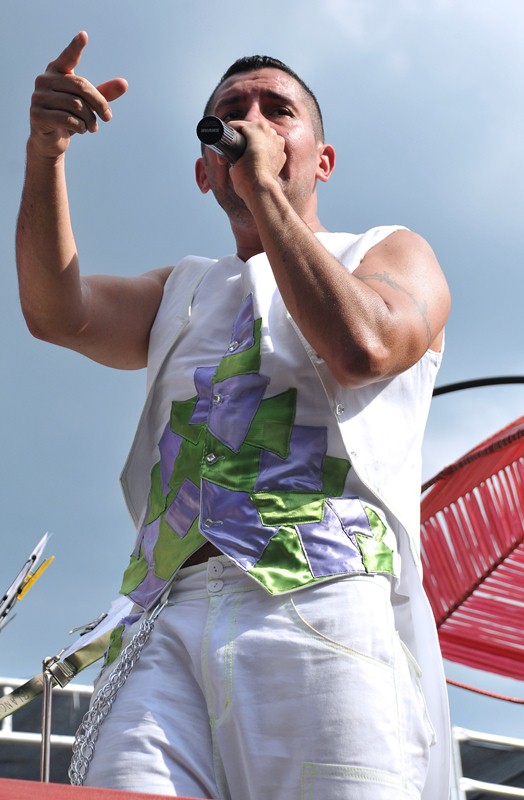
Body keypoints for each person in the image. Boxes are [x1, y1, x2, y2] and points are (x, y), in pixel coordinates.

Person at [16, 31, 452, 800]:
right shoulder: (181, 289)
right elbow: (59, 314)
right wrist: (46, 152)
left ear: (323, 159)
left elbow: (364, 347)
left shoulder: (385, 251)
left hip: (321, 597)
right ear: (203, 170)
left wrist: (266, 197)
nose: (251, 121)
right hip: (164, 617)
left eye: (278, 110)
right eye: (230, 111)